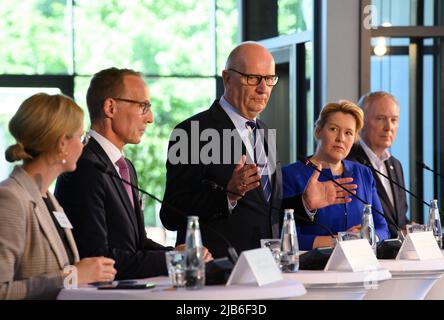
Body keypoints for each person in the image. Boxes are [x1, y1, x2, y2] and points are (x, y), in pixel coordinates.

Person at [160, 42, 357, 258]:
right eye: (252, 78)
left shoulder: (263, 132)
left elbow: (265, 212)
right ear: (227, 79)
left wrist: (304, 203)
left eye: (269, 79)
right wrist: (228, 196)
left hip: (265, 266)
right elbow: (171, 215)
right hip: (219, 271)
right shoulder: (192, 132)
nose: (263, 88)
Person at [55, 68, 210, 280]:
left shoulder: (124, 165)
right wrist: (174, 259)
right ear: (110, 107)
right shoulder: (84, 168)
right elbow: (99, 259)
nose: (151, 118)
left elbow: (138, 243)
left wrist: (179, 255)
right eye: (143, 106)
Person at [0, 93, 116, 300]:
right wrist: (73, 276)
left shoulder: (48, 199)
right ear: (62, 143)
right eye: (81, 138)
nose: (83, 146)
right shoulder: (10, 198)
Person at [282, 101, 390, 250]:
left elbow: (383, 229)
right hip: (312, 267)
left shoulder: (364, 173)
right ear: (318, 131)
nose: (341, 138)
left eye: (348, 133)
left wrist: (368, 236)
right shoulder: (290, 174)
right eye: (333, 129)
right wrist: (341, 241)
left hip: (359, 263)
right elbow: (289, 238)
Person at [347, 92, 408, 237]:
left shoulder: (395, 165)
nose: (389, 127)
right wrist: (400, 234)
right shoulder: (349, 163)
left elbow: (399, 220)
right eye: (381, 119)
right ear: (361, 123)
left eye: (394, 120)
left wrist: (414, 229)